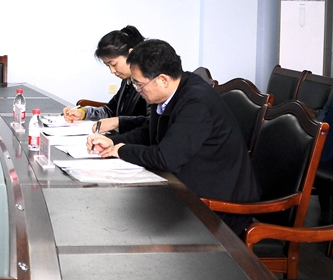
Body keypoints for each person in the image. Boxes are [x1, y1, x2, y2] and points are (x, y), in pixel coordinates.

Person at [87, 39, 261, 236]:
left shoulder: (196, 103)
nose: (137, 89)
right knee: (123, 216)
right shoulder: (169, 92)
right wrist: (113, 141)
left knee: (131, 227)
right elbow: (148, 132)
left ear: (162, 80)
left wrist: (122, 151)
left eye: (139, 84)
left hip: (219, 207)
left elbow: (166, 158)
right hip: (187, 188)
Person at [62, 26, 148, 132]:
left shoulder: (149, 83)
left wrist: (118, 122)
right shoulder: (127, 81)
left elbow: (150, 123)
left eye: (114, 64)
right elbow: (110, 110)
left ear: (131, 54)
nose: (112, 71)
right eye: (108, 66)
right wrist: (83, 112)